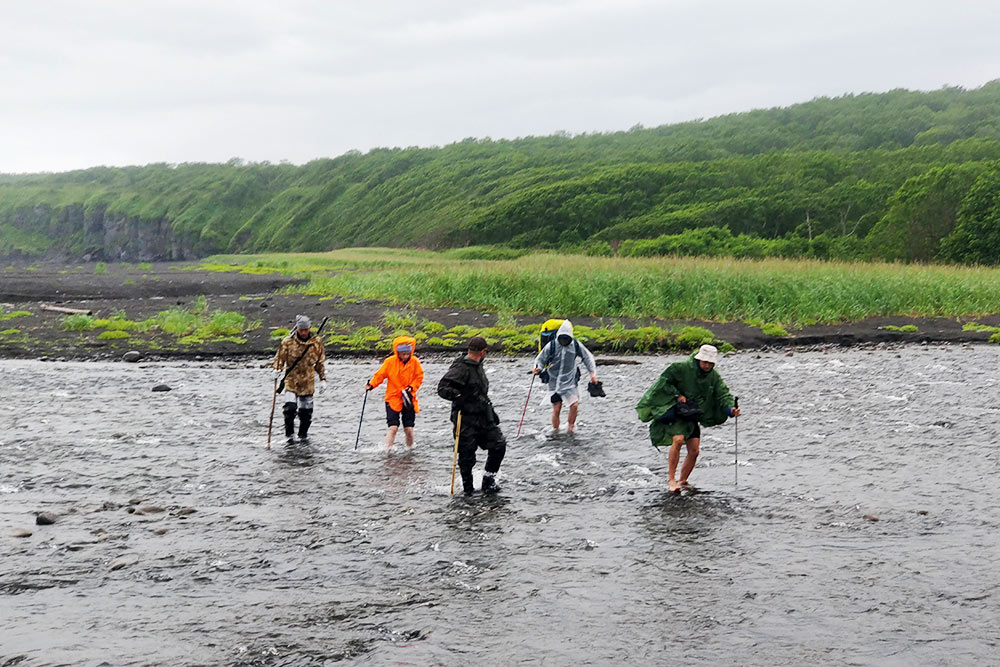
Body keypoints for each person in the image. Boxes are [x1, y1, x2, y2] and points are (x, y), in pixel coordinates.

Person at [635, 344, 740, 492]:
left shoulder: (714, 377)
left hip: (692, 414)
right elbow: (663, 383)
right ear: (698, 359)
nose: (707, 366)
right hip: (678, 412)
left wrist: (731, 409)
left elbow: (723, 394)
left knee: (695, 451)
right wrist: (677, 395)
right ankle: (671, 480)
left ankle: (682, 481)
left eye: (710, 363)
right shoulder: (679, 368)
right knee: (678, 439)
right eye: (705, 362)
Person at [437, 336, 507, 496]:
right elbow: (442, 388)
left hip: (484, 416)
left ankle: (488, 482)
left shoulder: (478, 366)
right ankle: (468, 489)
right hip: (465, 418)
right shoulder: (461, 367)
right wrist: (459, 397)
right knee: (467, 455)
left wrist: (492, 412)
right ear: (483, 352)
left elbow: (480, 392)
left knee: (498, 445)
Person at [532, 319, 598, 434]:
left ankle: (570, 428)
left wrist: (593, 374)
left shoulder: (575, 345)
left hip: (570, 381)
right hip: (554, 382)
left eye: (566, 339)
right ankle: (556, 431)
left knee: (574, 405)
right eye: (561, 338)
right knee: (557, 408)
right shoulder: (551, 345)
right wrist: (538, 368)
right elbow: (541, 359)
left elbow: (587, 358)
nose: (563, 341)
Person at [271, 315, 327, 440]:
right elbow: (279, 359)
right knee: (290, 409)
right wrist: (277, 370)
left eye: (306, 330)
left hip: (308, 381)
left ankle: (303, 437)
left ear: (309, 328)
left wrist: (322, 379)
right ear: (296, 328)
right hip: (291, 380)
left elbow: (319, 362)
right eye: (301, 330)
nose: (303, 332)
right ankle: (289, 436)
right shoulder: (287, 342)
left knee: (306, 414)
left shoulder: (316, 342)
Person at [366, 335, 424, 448]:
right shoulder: (390, 362)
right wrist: (371, 385)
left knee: (409, 428)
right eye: (403, 354)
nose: (405, 356)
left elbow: (419, 377)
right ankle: (387, 450)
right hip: (393, 398)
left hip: (408, 398)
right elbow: (380, 375)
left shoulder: (415, 362)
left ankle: (410, 449)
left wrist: (412, 387)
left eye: (407, 354)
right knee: (393, 427)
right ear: (398, 352)